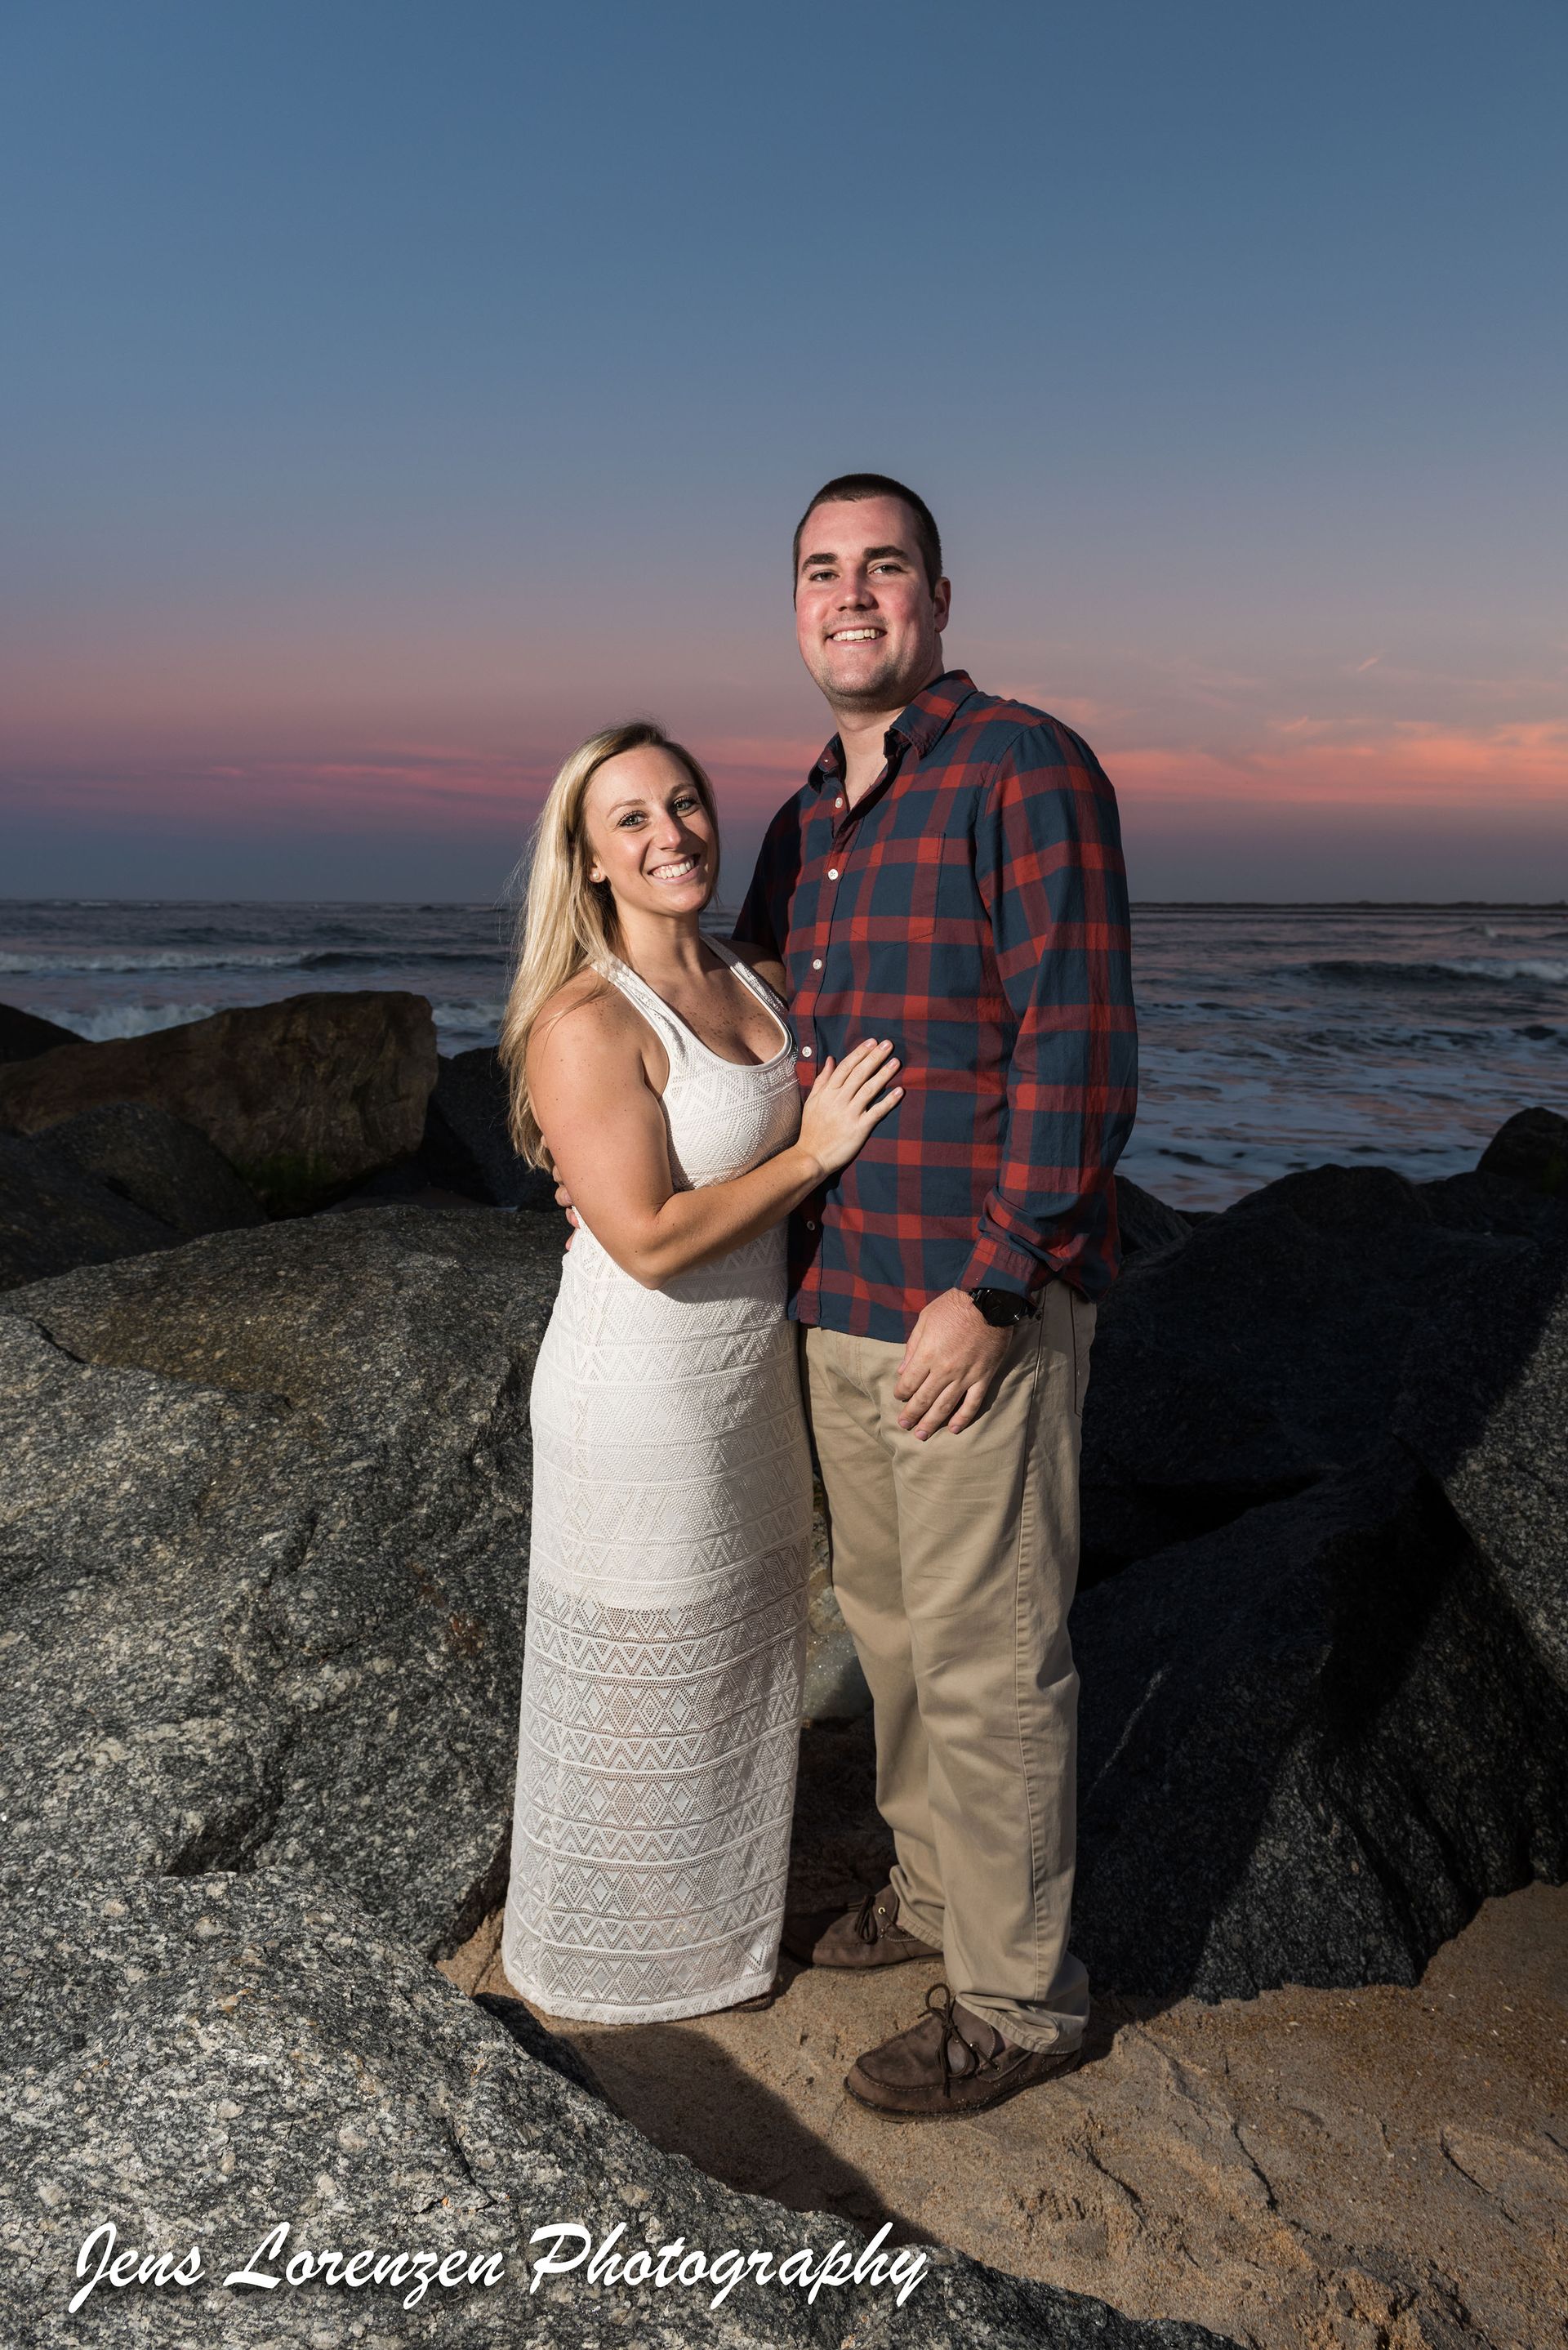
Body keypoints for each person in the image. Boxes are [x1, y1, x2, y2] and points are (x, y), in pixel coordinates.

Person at [731, 473, 1138, 2117]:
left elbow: (1080, 1048)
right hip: (842, 1292)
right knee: (896, 1639)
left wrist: (999, 1277)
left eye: (882, 567)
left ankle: (1020, 1995)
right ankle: (928, 1891)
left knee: (987, 1653)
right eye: (823, 571)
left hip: (969, 1304)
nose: (852, 595)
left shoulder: (1020, 766)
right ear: (796, 607)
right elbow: (737, 1017)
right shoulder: (804, 820)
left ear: (939, 599)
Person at [496, 720, 901, 2022]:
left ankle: (713, 1938)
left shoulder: (754, 974)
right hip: (640, 1391)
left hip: (744, 1387)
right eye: (631, 818)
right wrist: (813, 1156)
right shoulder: (583, 1019)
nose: (669, 832)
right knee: (635, 1675)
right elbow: (654, 1239)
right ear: (592, 857)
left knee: (736, 1655)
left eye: (684, 803)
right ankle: (607, 1960)